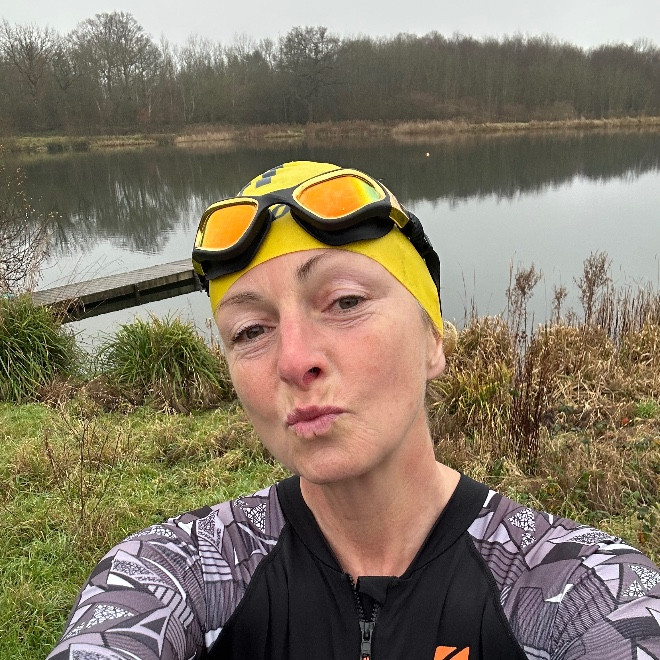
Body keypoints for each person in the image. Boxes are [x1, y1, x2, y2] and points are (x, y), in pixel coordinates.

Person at [48, 161, 659, 660]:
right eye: (250, 331)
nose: (295, 361)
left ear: (432, 339)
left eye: (344, 301)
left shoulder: (578, 586)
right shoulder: (177, 571)